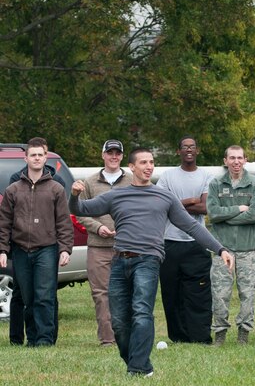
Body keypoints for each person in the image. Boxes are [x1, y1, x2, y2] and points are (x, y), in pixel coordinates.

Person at [69, 148, 234, 377]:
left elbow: (192, 226)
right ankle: (134, 363)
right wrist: (74, 195)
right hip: (119, 260)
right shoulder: (117, 195)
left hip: (148, 260)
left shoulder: (164, 197)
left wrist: (220, 249)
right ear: (132, 167)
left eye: (152, 162)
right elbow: (79, 209)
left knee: (141, 311)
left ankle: (139, 368)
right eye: (144, 162)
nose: (149, 166)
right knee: (118, 320)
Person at [0, 137, 73, 347]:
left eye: (40, 155)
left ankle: (45, 339)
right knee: (29, 298)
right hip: (21, 249)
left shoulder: (56, 189)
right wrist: (3, 249)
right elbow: (4, 222)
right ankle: (32, 339)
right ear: (26, 158)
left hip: (47, 249)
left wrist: (65, 248)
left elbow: (63, 221)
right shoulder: (13, 189)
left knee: (45, 296)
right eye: (33, 155)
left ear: (45, 157)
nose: (37, 158)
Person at [75, 139, 133, 346]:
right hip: (98, 247)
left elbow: (141, 210)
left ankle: (127, 336)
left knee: (128, 292)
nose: (114, 156)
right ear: (103, 155)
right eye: (110, 153)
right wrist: (98, 227)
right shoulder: (89, 182)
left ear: (122, 156)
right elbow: (80, 212)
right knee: (101, 294)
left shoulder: (132, 180)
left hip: (127, 246)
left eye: (118, 153)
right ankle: (108, 339)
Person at [158, 136, 213, 344]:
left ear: (197, 150)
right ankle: (178, 337)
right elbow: (162, 205)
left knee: (198, 292)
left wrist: (176, 204)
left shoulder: (206, 176)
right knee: (172, 293)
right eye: (184, 147)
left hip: (196, 243)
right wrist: (191, 200)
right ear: (178, 151)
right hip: (170, 242)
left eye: (192, 147)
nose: (188, 150)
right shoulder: (167, 176)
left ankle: (199, 336)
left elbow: (205, 207)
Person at [207, 145, 255, 346]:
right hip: (223, 251)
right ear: (225, 161)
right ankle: (220, 334)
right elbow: (213, 214)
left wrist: (226, 217)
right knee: (220, 294)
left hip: (248, 251)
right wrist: (238, 209)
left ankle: (243, 335)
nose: (236, 161)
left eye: (240, 158)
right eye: (232, 158)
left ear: (245, 160)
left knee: (248, 294)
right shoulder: (215, 184)